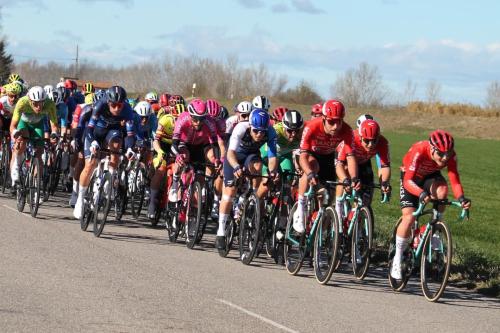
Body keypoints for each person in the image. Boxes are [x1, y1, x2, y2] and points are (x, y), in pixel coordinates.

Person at [390, 130, 471, 280]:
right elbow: (408, 181)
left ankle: (432, 229)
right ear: (432, 149)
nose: (445, 158)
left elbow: (454, 178)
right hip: (411, 179)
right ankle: (397, 258)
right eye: (441, 154)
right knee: (409, 217)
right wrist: (421, 193)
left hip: (430, 177)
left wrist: (461, 198)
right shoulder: (419, 150)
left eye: (448, 153)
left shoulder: (450, 156)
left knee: (442, 192)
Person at [293, 99, 359, 234]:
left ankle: (317, 233)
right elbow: (303, 156)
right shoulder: (311, 126)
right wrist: (310, 173)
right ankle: (300, 208)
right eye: (331, 122)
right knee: (312, 168)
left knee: (327, 198)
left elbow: (350, 157)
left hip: (329, 157)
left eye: (339, 121)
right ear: (323, 118)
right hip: (311, 154)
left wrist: (354, 178)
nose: (335, 126)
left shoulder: (347, 131)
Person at [216, 109, 278, 249]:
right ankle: (220, 230)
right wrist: (236, 167)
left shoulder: (270, 131)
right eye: (256, 131)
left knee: (258, 166)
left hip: (251, 156)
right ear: (250, 126)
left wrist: (272, 172)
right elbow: (230, 153)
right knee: (230, 191)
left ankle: (250, 198)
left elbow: (272, 157)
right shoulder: (241, 128)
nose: (259, 134)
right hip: (234, 157)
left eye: (262, 132)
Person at [73, 86, 137, 219]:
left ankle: (110, 177)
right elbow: (89, 129)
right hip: (95, 132)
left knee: (116, 144)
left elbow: (130, 134)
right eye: (114, 105)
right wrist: (93, 142)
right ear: (108, 102)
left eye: (120, 105)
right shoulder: (99, 105)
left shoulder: (128, 110)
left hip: (112, 132)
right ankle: (80, 197)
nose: (117, 108)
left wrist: (130, 148)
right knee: (91, 163)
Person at [335, 118, 391, 221]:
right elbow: (340, 165)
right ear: (360, 137)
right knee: (345, 178)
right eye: (367, 141)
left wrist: (384, 183)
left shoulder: (383, 142)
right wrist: (345, 180)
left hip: (363, 162)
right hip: (345, 160)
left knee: (366, 197)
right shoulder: (351, 138)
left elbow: (385, 166)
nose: (371, 145)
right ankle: (338, 207)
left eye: (374, 140)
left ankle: (356, 220)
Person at [10, 86, 58, 189]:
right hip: (24, 123)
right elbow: (13, 125)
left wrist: (54, 134)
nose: (38, 107)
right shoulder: (22, 102)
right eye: (35, 104)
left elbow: (54, 125)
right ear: (30, 101)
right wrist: (15, 133)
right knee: (22, 140)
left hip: (37, 125)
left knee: (39, 153)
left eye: (41, 103)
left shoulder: (50, 104)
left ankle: (36, 184)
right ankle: (16, 167)